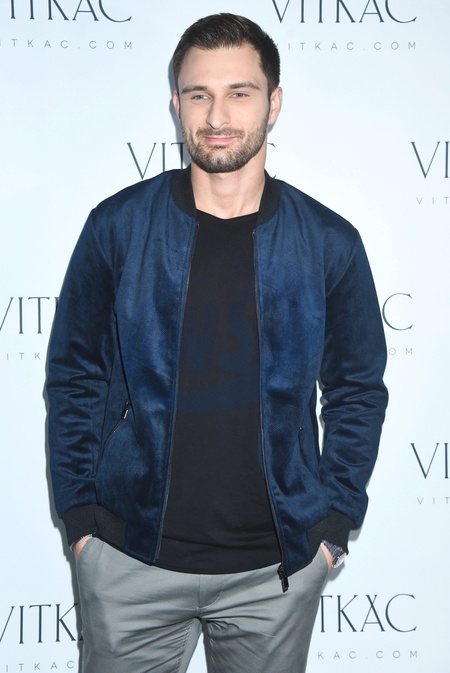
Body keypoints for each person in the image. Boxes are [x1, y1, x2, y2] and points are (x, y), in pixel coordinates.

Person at [46, 12, 388, 673]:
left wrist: (334, 524)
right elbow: (75, 377)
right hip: (128, 560)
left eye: (239, 92)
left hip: (275, 572)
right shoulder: (117, 228)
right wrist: (83, 520)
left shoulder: (329, 243)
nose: (218, 115)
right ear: (176, 105)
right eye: (199, 94)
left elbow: (356, 390)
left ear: (274, 103)